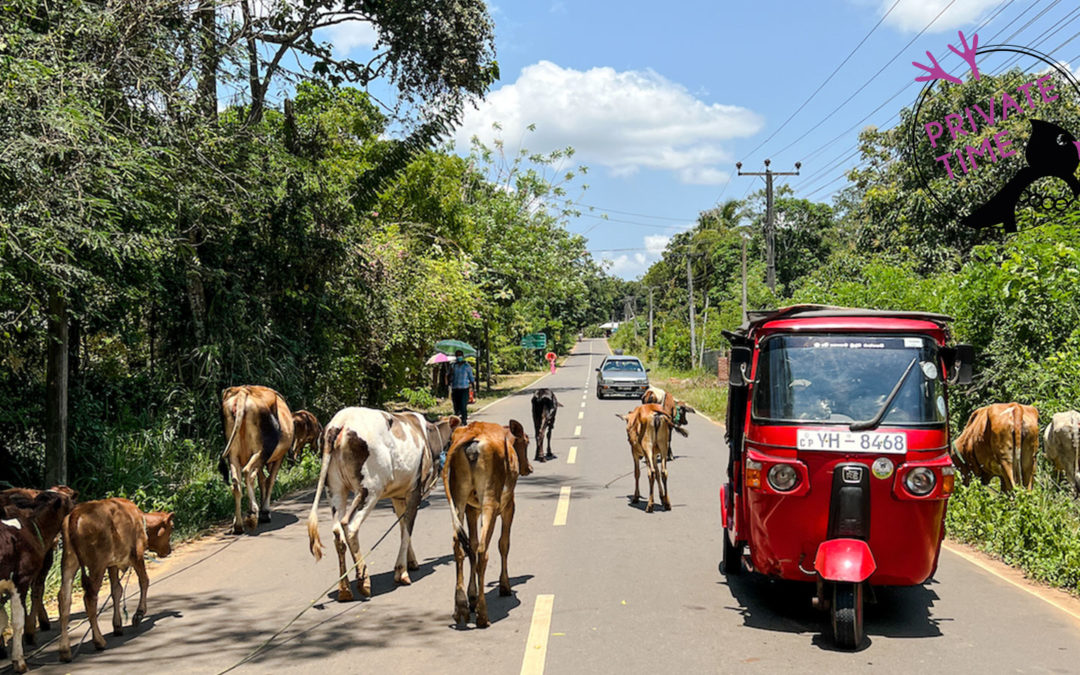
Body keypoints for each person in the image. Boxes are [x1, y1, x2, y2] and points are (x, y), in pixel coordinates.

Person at [446, 350, 476, 424]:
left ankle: (464, 421)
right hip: (455, 388)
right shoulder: (453, 365)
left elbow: (471, 378)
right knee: (456, 407)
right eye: (457, 355)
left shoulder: (467, 366)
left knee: (463, 406)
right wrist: (450, 374)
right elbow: (449, 378)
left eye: (460, 355)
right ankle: (457, 422)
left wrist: (474, 388)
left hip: (464, 389)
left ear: (463, 356)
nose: (459, 357)